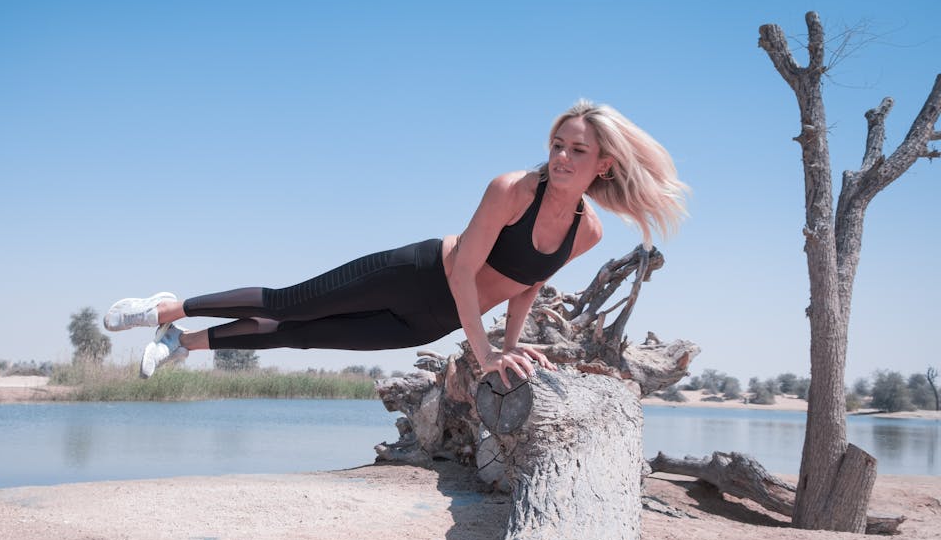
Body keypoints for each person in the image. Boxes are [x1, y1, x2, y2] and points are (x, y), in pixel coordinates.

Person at [104, 100, 688, 386]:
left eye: (576, 150)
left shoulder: (589, 230)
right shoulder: (511, 189)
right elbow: (464, 271)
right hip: (416, 275)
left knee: (304, 338)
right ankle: (165, 308)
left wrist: (511, 347)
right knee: (287, 304)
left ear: (604, 164)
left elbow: (526, 285)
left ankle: (183, 343)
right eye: (557, 143)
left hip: (428, 324)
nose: (560, 157)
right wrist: (484, 353)